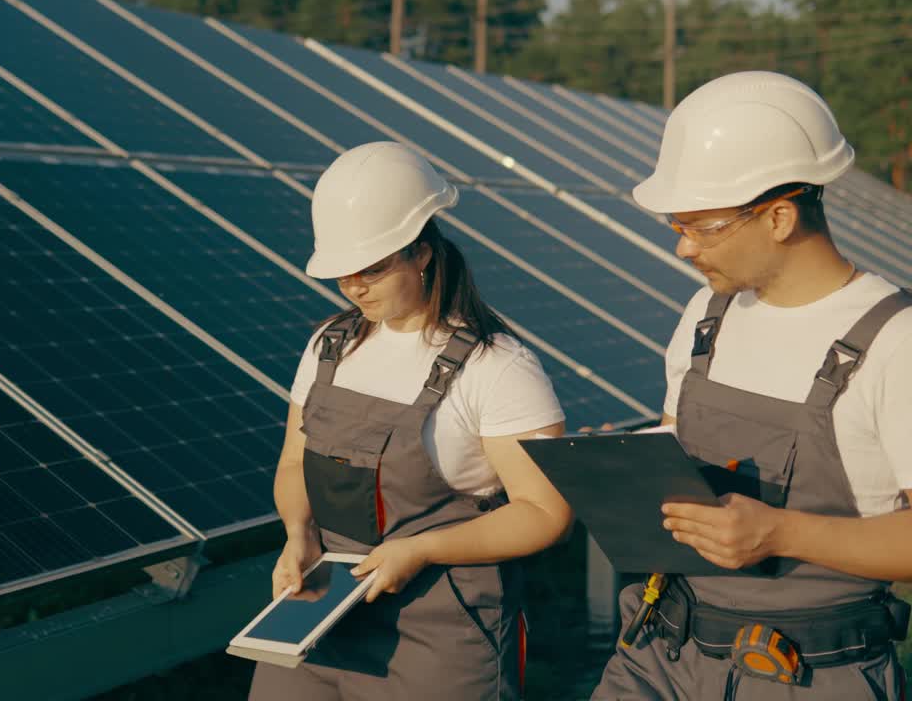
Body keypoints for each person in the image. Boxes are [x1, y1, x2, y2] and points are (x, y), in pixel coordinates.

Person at [592, 71, 912, 700]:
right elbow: (681, 450)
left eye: (701, 228)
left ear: (779, 217)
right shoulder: (707, 317)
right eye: (675, 226)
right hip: (662, 652)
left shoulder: (895, 341)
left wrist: (780, 533)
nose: (683, 249)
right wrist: (630, 468)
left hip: (806, 674)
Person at [247, 141, 571, 700]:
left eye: (370, 269)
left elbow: (545, 512)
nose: (354, 287)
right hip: (324, 612)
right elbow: (296, 460)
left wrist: (421, 549)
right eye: (342, 273)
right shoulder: (329, 346)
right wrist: (297, 536)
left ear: (421, 252)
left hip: (441, 632)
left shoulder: (497, 367)